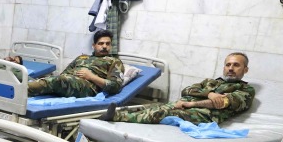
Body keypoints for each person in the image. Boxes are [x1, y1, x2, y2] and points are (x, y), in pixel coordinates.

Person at [107, 52, 254, 125]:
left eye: (236, 65)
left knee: (164, 112)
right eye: (228, 65)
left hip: (203, 114)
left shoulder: (245, 91)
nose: (230, 68)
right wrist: (209, 94)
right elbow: (187, 90)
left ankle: (114, 117)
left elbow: (221, 102)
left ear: (245, 69)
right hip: (183, 104)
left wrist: (191, 104)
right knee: (148, 107)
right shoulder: (211, 82)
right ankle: (116, 115)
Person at [25, 29, 124, 98]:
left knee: (60, 80)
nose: (104, 46)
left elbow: (115, 86)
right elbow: (64, 73)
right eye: (101, 43)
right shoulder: (82, 57)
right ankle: (23, 84)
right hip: (68, 82)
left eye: (108, 43)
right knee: (22, 74)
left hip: (87, 88)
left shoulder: (114, 61)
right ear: (94, 45)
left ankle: (20, 90)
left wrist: (91, 76)